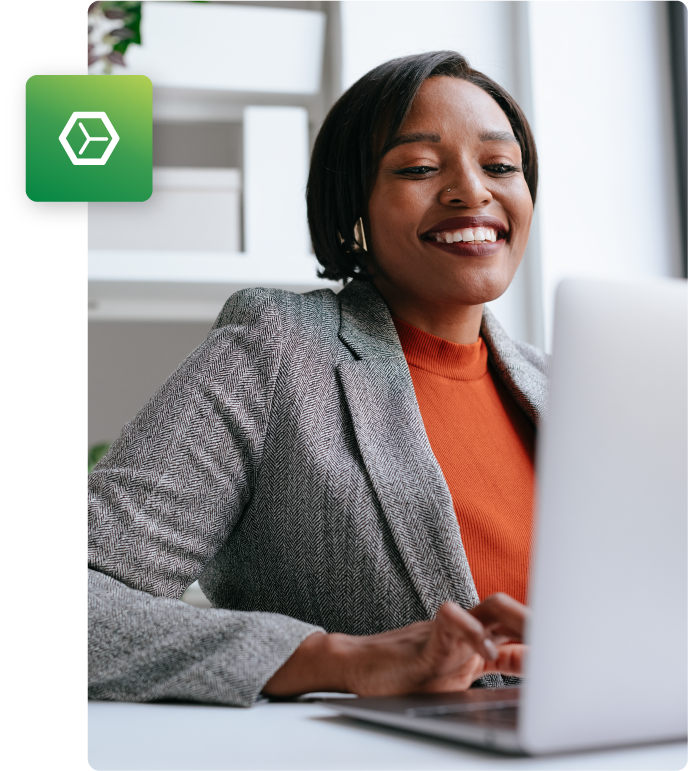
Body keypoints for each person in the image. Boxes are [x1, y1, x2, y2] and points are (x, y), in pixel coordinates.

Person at [87, 50, 548, 707]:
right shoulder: (275, 349)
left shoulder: (565, 389)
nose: (472, 191)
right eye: (419, 168)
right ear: (353, 206)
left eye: (500, 166)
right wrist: (338, 659)